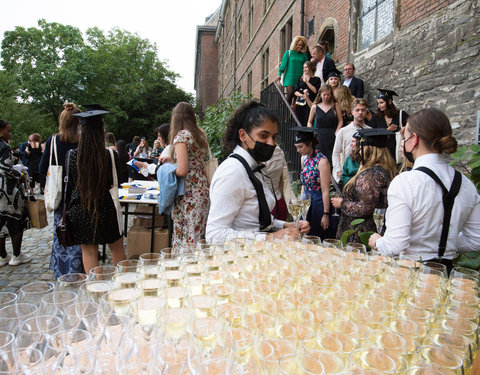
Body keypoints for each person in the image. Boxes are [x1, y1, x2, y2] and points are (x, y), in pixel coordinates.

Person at [369, 109, 480, 271]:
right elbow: (476, 239)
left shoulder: (404, 182)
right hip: (445, 273)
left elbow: (395, 244)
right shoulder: (466, 184)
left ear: (414, 140)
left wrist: (377, 241)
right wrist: (443, 243)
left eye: (405, 137)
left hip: (411, 273)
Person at [206, 101, 310, 243]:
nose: (271, 143)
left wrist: (285, 225)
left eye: (274, 137)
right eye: (263, 136)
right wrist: (271, 237)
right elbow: (215, 235)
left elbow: (252, 219)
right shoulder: (233, 172)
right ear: (243, 135)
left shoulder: (254, 168)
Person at [67, 106, 126, 274]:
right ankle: (123, 287)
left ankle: (95, 291)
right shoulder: (110, 155)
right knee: (117, 247)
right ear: (102, 131)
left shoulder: (72, 155)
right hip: (106, 206)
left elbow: (72, 183)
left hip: (80, 206)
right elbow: (117, 181)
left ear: (81, 131)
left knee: (89, 251)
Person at [153, 102, 210, 249]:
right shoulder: (200, 134)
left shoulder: (181, 137)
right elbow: (195, 162)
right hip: (202, 188)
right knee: (198, 231)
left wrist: (167, 168)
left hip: (187, 192)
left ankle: (185, 266)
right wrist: (173, 161)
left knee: (186, 234)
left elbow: (182, 170)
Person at [39, 103, 84, 278]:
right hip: (80, 195)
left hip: (61, 196)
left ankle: (64, 273)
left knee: (63, 233)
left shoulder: (53, 141)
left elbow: (43, 169)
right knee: (82, 238)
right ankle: (81, 272)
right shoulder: (83, 141)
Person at [331, 128, 397, 242]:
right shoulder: (385, 170)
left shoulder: (371, 175)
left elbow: (364, 208)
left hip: (360, 232)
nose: (360, 152)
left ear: (369, 149)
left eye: (362, 149)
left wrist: (342, 204)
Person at [0, 120, 31, 267]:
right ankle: (16, 254)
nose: (10, 133)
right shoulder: (4, 146)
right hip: (8, 191)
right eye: (8, 131)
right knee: (15, 220)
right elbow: (5, 168)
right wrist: (19, 174)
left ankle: (2, 255)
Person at [293, 127, 333, 239]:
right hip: (305, 201)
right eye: (297, 147)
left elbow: (325, 190)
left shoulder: (322, 161)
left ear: (310, 143)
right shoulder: (304, 159)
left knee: (315, 234)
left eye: (300, 147)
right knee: (300, 232)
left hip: (318, 202)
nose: (298, 150)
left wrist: (326, 214)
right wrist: (300, 200)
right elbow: (303, 184)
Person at [332, 98, 370, 181]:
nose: (360, 112)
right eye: (357, 110)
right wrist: (338, 171)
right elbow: (336, 153)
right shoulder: (343, 131)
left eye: (362, 110)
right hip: (348, 172)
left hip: (365, 172)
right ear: (352, 112)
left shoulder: (370, 131)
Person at [307, 84, 343, 165]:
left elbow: (340, 121)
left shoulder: (335, 105)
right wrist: (311, 132)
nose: (326, 97)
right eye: (324, 95)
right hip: (319, 136)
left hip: (332, 134)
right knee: (320, 159)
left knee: (332, 158)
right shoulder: (315, 107)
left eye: (328, 95)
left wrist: (337, 131)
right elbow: (309, 121)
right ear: (320, 94)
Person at [369, 89, 409, 160]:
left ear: (389, 102)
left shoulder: (401, 114)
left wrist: (405, 128)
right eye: (378, 103)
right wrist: (386, 131)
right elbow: (371, 134)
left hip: (398, 153)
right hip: (383, 154)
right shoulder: (376, 117)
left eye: (381, 103)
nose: (379, 106)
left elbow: (413, 126)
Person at [276, 36, 309, 106]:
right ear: (295, 44)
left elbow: (307, 66)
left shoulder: (304, 55)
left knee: (296, 96)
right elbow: (283, 65)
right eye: (298, 45)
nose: (300, 47)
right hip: (289, 77)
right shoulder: (288, 53)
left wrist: (304, 76)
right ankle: (286, 110)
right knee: (290, 93)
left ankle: (292, 111)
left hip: (299, 77)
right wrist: (279, 74)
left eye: (302, 45)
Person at [264, 145, 294, 221]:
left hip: (265, 206)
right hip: (279, 202)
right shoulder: (279, 151)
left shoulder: (257, 153)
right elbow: (285, 178)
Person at [293, 61, 321, 126]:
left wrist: (307, 82)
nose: (304, 69)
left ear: (311, 67)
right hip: (300, 104)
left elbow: (315, 91)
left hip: (310, 103)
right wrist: (302, 95)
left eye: (306, 67)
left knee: (308, 120)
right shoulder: (300, 79)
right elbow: (295, 91)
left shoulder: (316, 79)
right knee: (300, 121)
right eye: (303, 68)